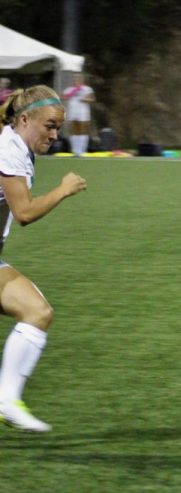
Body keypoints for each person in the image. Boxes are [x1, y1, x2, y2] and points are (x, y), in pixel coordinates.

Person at [0, 86, 87, 432]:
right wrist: (62, 190)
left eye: (58, 129)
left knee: (38, 313)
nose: (54, 135)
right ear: (24, 119)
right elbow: (23, 212)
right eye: (49, 126)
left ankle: (6, 401)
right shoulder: (8, 149)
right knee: (37, 312)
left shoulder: (14, 144)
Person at [62, 73, 94, 156]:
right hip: (72, 113)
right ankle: (75, 151)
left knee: (83, 131)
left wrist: (85, 99)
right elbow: (64, 97)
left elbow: (91, 99)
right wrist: (71, 94)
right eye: (75, 79)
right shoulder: (69, 89)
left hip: (83, 114)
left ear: (82, 80)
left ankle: (82, 151)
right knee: (73, 132)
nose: (77, 80)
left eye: (79, 79)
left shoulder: (87, 89)